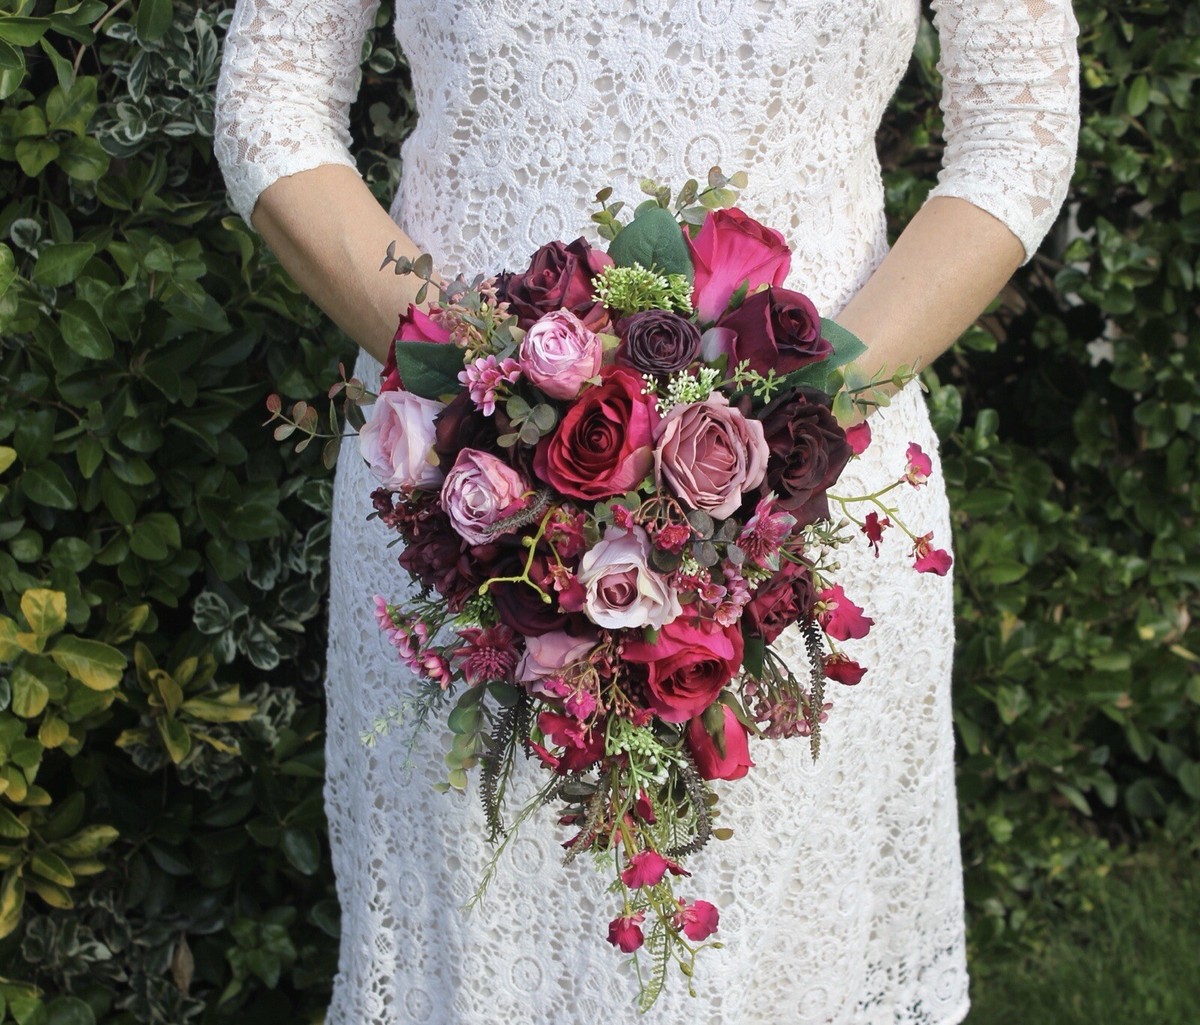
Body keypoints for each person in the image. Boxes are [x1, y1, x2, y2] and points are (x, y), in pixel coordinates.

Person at [214, 2, 1078, 1022]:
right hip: (462, 506)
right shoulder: (474, 444)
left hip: (805, 507)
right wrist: (484, 393)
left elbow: (1017, 123)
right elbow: (272, 96)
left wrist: (779, 438)